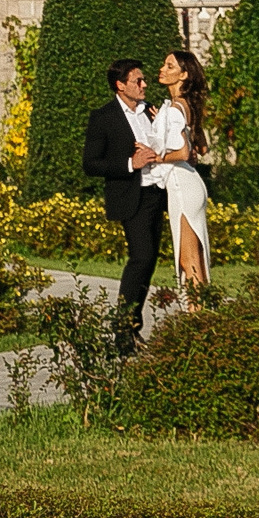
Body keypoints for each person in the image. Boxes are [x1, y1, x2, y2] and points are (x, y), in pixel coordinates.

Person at [82, 55, 167, 353]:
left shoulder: (151, 112)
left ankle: (132, 328)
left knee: (149, 261)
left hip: (158, 194)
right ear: (120, 85)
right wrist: (131, 163)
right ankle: (122, 333)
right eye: (138, 81)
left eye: (144, 80)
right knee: (140, 259)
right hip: (132, 197)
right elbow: (90, 163)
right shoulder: (103, 117)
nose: (145, 85)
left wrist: (162, 131)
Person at [148, 49, 212, 303]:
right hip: (188, 183)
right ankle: (203, 311)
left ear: (184, 75)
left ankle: (197, 319)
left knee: (188, 259)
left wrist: (156, 157)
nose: (162, 70)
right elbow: (201, 149)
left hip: (182, 187)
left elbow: (184, 152)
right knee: (195, 256)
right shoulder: (185, 106)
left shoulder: (176, 108)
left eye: (170, 66)